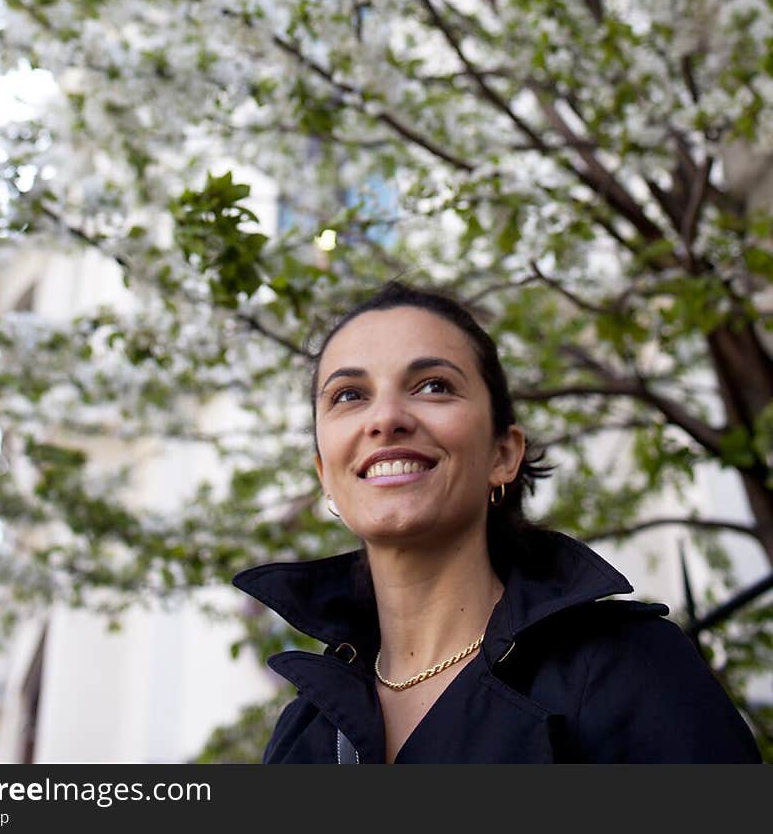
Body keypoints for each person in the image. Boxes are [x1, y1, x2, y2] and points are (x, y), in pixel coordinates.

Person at [233, 279, 763, 763]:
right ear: (326, 474)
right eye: (350, 395)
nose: (386, 418)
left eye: (434, 385)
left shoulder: (629, 668)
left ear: (502, 455)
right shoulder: (304, 732)